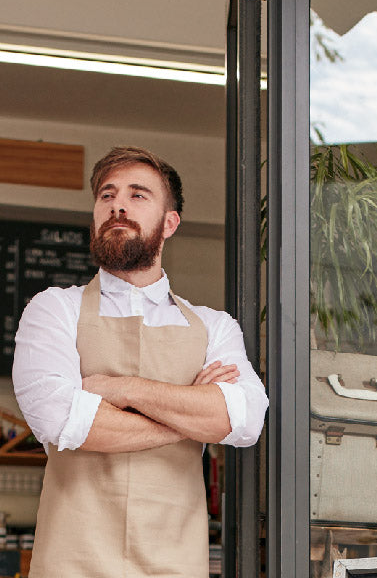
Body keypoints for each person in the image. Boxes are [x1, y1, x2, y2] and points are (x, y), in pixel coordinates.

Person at [12, 146, 269, 578]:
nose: (117, 206)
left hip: (175, 561)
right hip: (71, 560)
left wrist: (121, 389)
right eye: (107, 196)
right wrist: (190, 413)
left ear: (169, 223)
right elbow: (60, 419)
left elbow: (244, 422)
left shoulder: (215, 326)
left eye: (137, 196)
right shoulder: (53, 309)